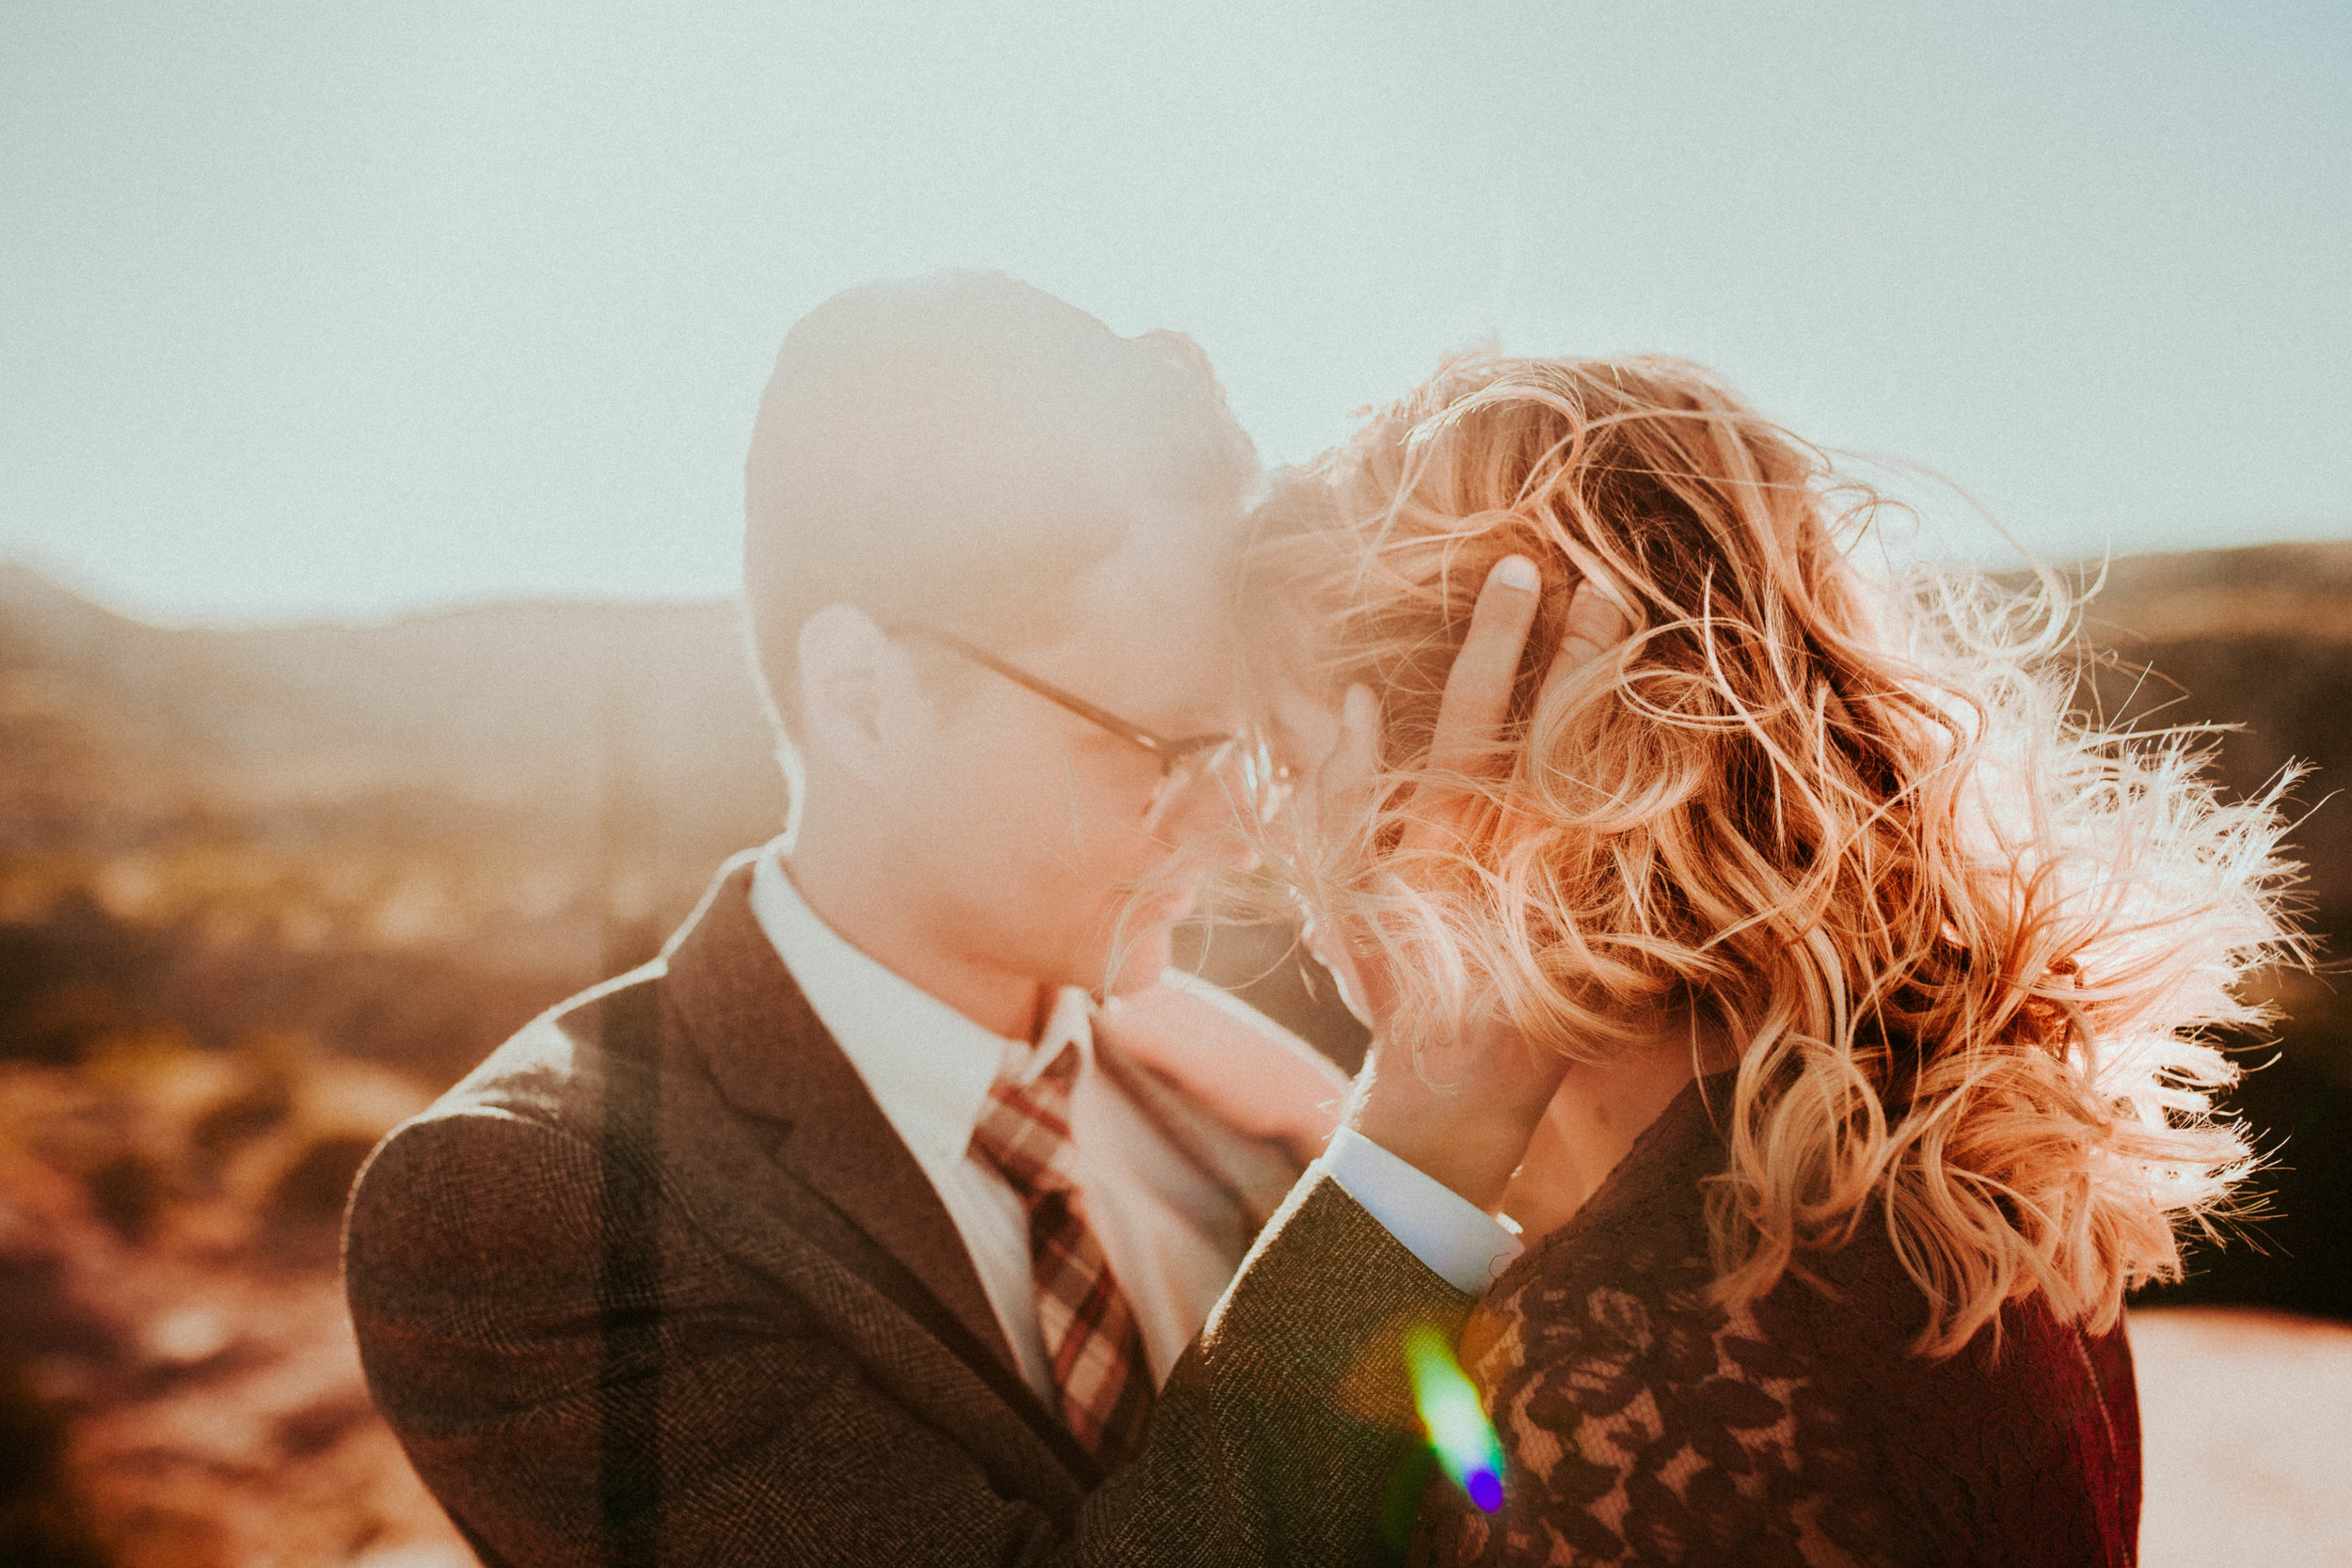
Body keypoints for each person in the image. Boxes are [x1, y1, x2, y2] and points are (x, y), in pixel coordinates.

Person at [342, 273, 1575, 1566]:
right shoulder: (529, 1210)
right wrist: (1428, 1145)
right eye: (1165, 748)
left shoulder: (1258, 1090)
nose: (1239, 829)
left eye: (1246, 747)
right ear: (866, 698)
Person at [1246, 352, 2296, 1566]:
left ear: (1471, 780)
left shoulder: (1648, 1357)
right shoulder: (1928, 1179)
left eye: (1285, 759)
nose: (1265, 832)